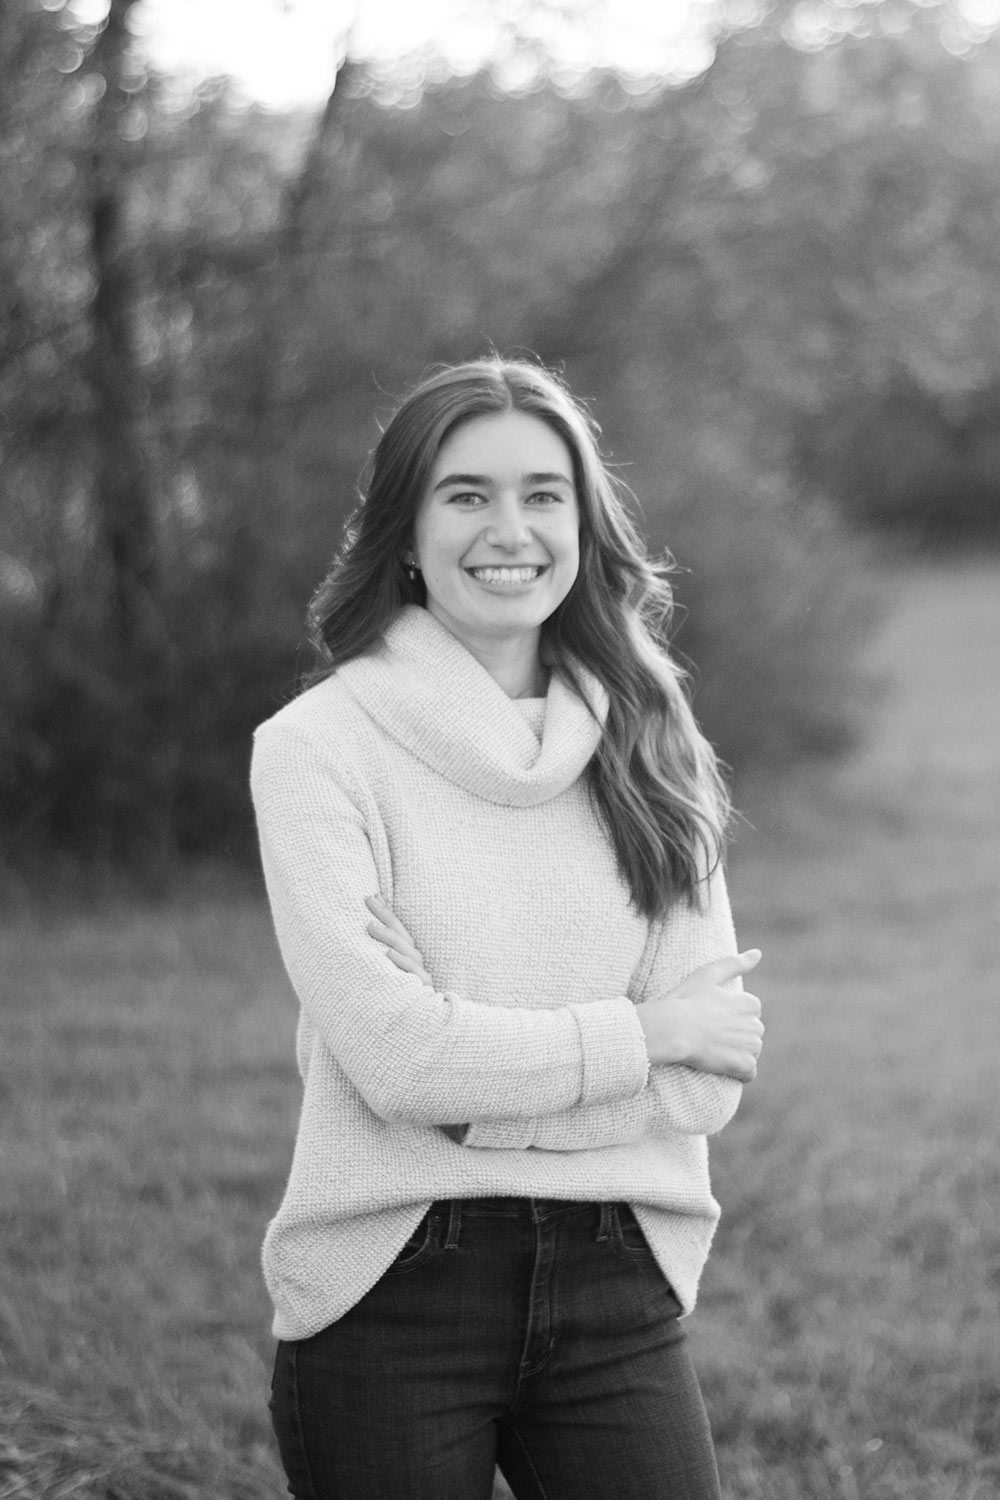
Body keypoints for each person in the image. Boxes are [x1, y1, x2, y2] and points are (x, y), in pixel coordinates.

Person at [250, 356, 764, 1500]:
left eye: (543, 493)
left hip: (617, 1282)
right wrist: (644, 1033)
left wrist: (477, 1090)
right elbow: (399, 1061)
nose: (510, 528)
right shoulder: (316, 749)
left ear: (583, 521)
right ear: (405, 528)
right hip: (389, 1284)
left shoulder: (652, 736)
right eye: (465, 494)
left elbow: (708, 1084)